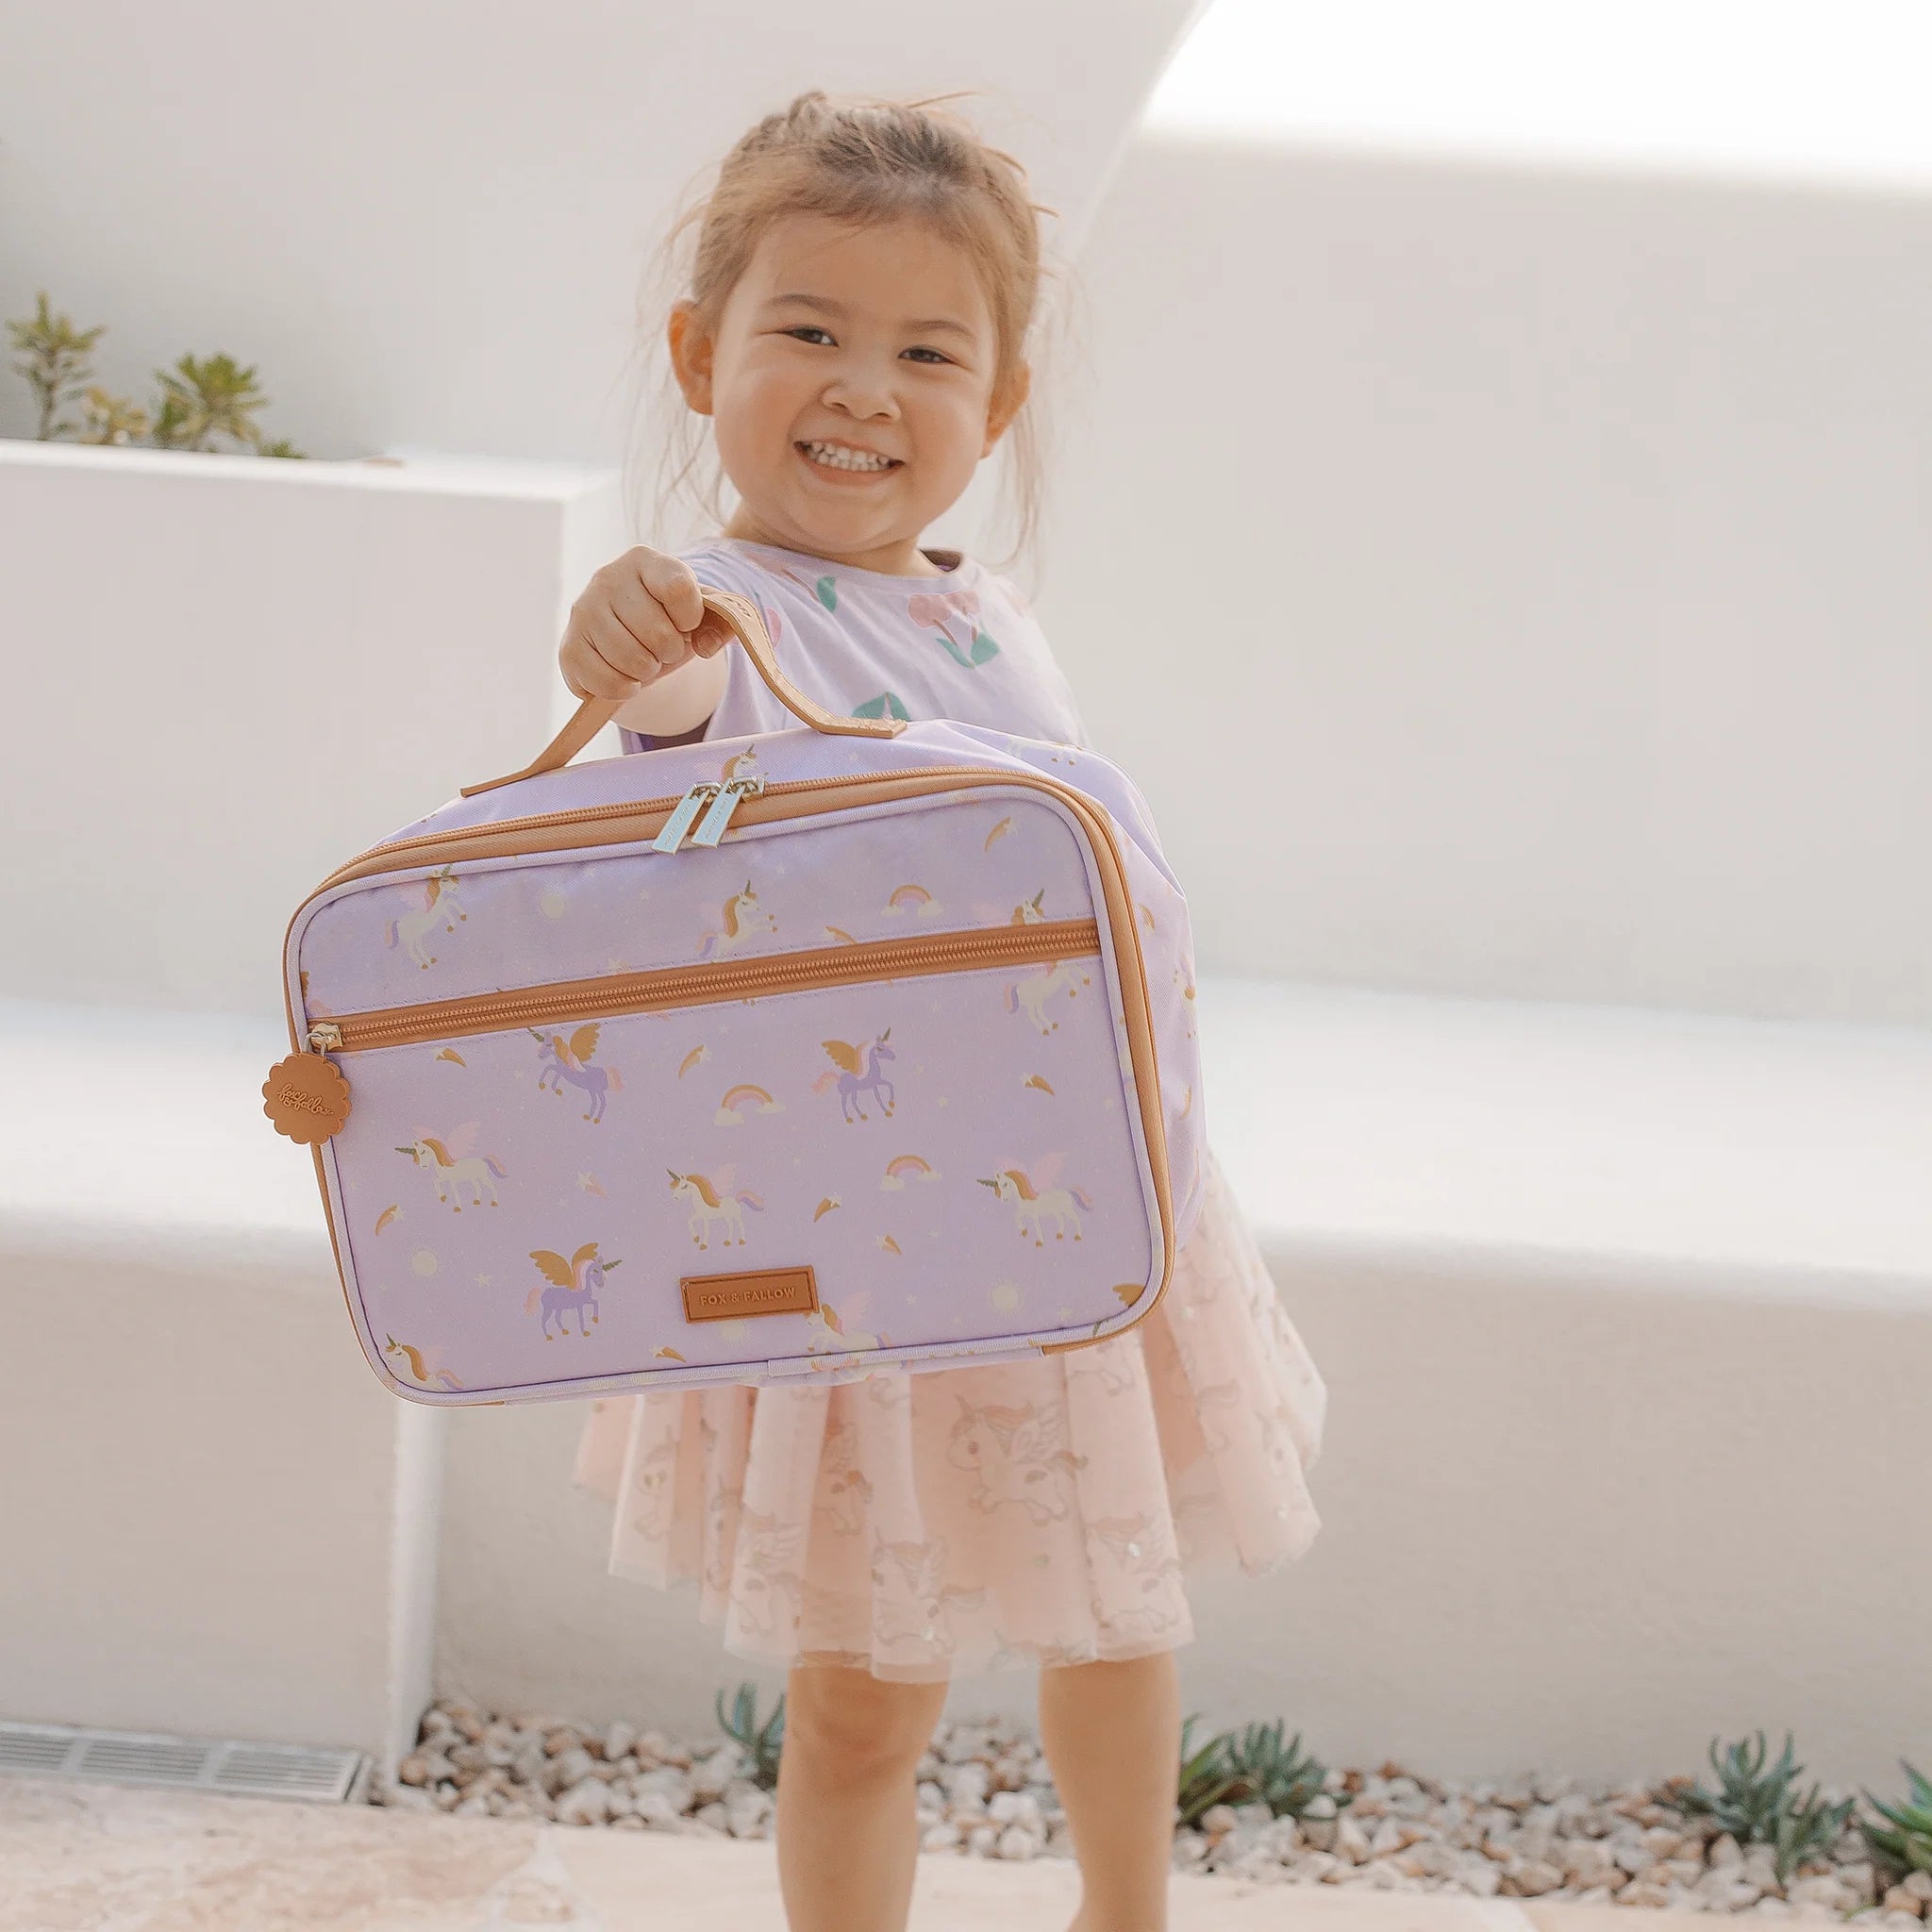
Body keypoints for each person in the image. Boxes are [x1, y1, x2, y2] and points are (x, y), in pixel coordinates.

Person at [559, 88, 1327, 1932]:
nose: (861, 387)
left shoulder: (979, 608)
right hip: (866, 1263)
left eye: (926, 350)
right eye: (806, 330)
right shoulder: (715, 622)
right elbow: (671, 725)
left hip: (1087, 1214)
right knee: (858, 1698)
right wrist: (633, 649)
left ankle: (1121, 1909)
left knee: (1117, 1609)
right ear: (700, 353)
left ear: (991, 405)